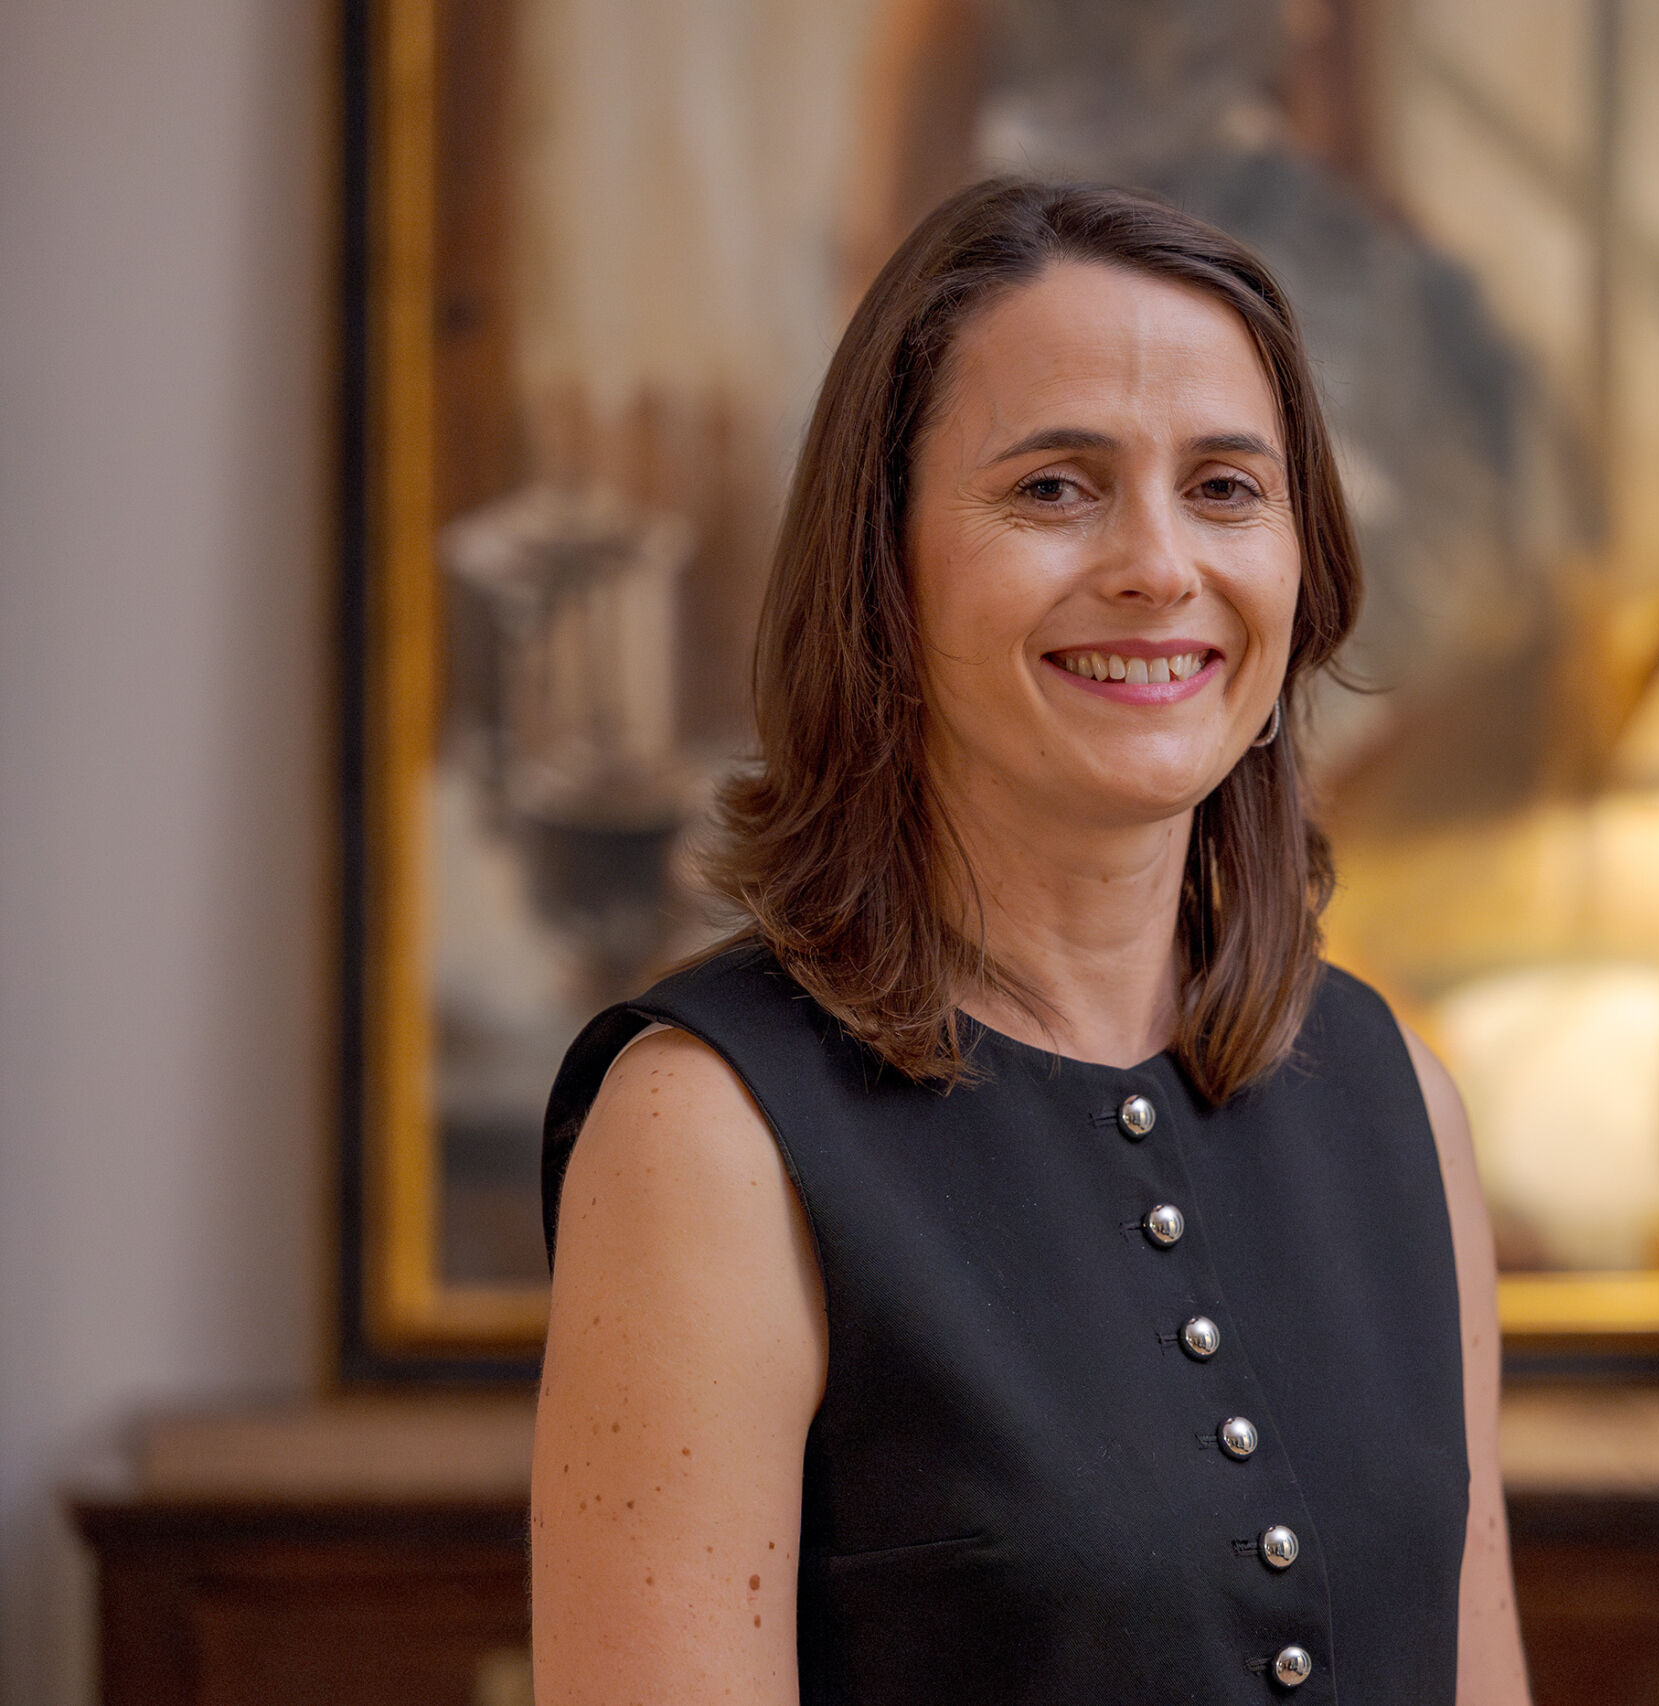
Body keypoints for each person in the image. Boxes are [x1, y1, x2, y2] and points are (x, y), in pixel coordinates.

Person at [531, 178, 1532, 1705]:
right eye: (1056, 487)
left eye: (1226, 488)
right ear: (884, 568)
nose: (1159, 565)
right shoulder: (700, 1134)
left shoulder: (1407, 1102)